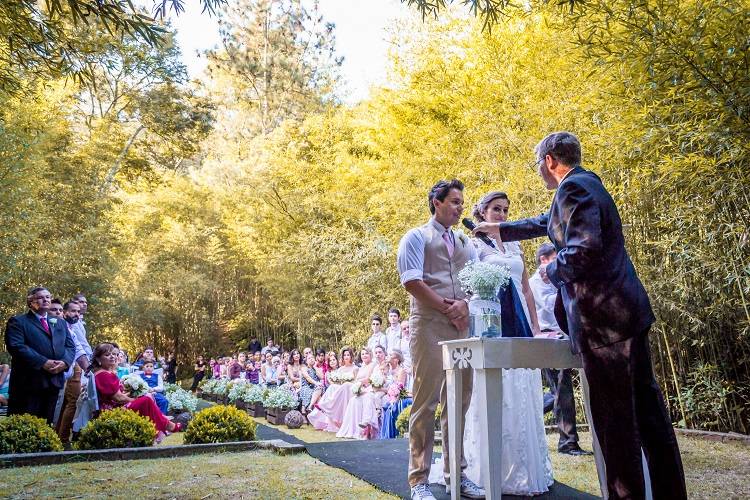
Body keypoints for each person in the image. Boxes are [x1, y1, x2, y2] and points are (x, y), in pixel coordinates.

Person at [474, 131, 686, 499]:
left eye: (538, 163)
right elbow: (549, 221)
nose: (539, 170)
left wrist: (550, 272)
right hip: (624, 318)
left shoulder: (575, 189)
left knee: (616, 423)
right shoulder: (584, 185)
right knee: (649, 418)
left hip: (606, 323)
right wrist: (502, 229)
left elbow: (584, 249)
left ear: (550, 161)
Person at [430, 190, 554, 495]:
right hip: (490, 319)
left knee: (522, 388)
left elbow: (526, 289)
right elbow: (467, 284)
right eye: (496, 209)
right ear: (482, 212)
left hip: (520, 321)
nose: (502, 214)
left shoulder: (512, 242)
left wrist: (536, 329)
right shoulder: (472, 243)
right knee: (493, 389)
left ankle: (525, 470)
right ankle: (485, 469)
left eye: (506, 210)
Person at [396, 180, 483, 500]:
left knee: (459, 401)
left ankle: (456, 475)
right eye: (455, 202)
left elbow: (477, 282)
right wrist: (450, 307)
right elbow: (412, 282)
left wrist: (466, 305)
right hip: (429, 326)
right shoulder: (416, 237)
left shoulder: (464, 241)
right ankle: (418, 480)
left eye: (462, 202)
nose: (461, 207)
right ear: (437, 202)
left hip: (462, 327)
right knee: (425, 402)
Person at [529, 242, 590, 456]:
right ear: (544, 260)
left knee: (559, 390)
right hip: (548, 339)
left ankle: (531, 410)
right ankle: (568, 443)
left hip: (566, 336)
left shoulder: (560, 279)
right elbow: (549, 309)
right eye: (556, 259)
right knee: (562, 389)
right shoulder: (534, 284)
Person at [5, 287, 76, 423]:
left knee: (48, 425)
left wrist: (65, 363)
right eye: (40, 297)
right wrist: (43, 362)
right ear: (30, 302)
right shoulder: (18, 322)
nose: (46, 300)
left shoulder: (60, 322)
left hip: (53, 381)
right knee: (24, 425)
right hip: (28, 383)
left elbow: (70, 346)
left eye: (48, 297)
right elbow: (16, 346)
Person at [91, 343, 181, 441]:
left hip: (112, 407)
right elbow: (118, 398)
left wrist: (133, 393)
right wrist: (134, 399)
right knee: (146, 400)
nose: (112, 356)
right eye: (107, 355)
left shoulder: (101, 373)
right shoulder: (104, 375)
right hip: (112, 411)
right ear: (98, 359)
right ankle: (167, 426)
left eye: (113, 354)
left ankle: (162, 428)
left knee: (146, 398)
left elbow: (116, 396)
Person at [55, 300, 91, 444]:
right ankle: (63, 439)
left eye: (78, 311)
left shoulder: (75, 325)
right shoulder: (62, 326)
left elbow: (81, 347)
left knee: (66, 402)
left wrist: (88, 366)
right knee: (72, 402)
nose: (77, 313)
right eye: (73, 311)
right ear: (64, 312)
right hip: (69, 365)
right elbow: (77, 348)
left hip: (77, 365)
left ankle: (59, 434)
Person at [308, 347, 359, 432]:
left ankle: (326, 405)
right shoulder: (341, 369)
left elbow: (357, 383)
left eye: (348, 355)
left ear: (351, 356)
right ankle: (324, 405)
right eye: (344, 355)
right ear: (342, 357)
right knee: (332, 387)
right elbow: (338, 382)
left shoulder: (355, 368)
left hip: (351, 390)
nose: (346, 357)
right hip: (342, 390)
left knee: (346, 385)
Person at [336, 347, 383, 439]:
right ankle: (355, 430)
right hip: (361, 388)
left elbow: (368, 379)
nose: (364, 355)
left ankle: (366, 427)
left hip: (370, 387)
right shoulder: (361, 366)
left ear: (370, 355)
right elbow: (356, 379)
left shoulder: (373, 365)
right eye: (362, 354)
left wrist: (359, 384)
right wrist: (357, 387)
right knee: (353, 401)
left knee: (366, 397)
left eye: (366, 353)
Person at [380, 349, 412, 439]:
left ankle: (393, 434)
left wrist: (392, 395)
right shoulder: (387, 370)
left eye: (390, 355)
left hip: (399, 396)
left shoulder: (401, 371)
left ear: (396, 359)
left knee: (392, 407)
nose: (387, 357)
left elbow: (399, 388)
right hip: (388, 395)